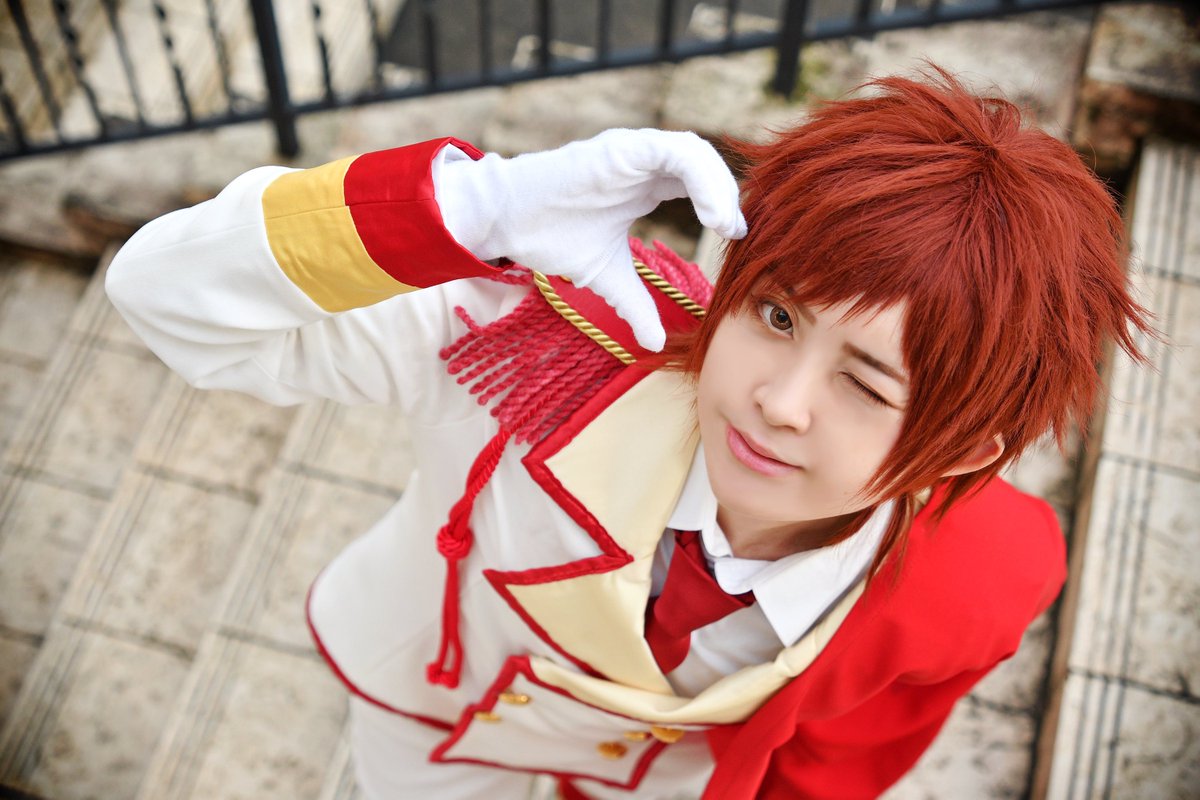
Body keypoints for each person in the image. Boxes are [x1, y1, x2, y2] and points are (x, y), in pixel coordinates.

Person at [105, 66, 1150, 799]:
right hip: (431, 707)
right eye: (776, 315)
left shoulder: (978, 576)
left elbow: (830, 768)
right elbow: (163, 297)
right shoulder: (538, 347)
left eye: (866, 383)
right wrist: (473, 208)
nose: (781, 401)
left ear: (965, 450)